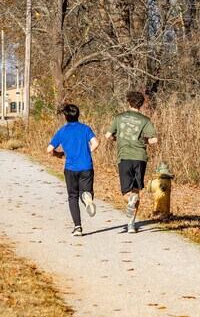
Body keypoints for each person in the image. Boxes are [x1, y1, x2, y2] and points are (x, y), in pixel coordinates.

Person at [105, 91, 158, 233]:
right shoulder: (145, 120)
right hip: (140, 158)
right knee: (136, 191)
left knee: (126, 192)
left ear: (128, 102)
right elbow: (154, 140)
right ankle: (131, 225)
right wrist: (143, 140)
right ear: (141, 104)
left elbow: (108, 135)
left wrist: (118, 139)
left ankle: (130, 202)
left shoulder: (119, 117)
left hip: (124, 157)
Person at [47, 104, 100, 237]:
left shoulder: (62, 131)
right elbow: (96, 143)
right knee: (86, 192)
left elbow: (49, 149)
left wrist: (58, 154)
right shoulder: (86, 129)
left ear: (65, 116)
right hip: (86, 166)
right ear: (78, 115)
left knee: (72, 197)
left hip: (70, 167)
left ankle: (78, 227)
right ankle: (87, 198)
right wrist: (87, 152)